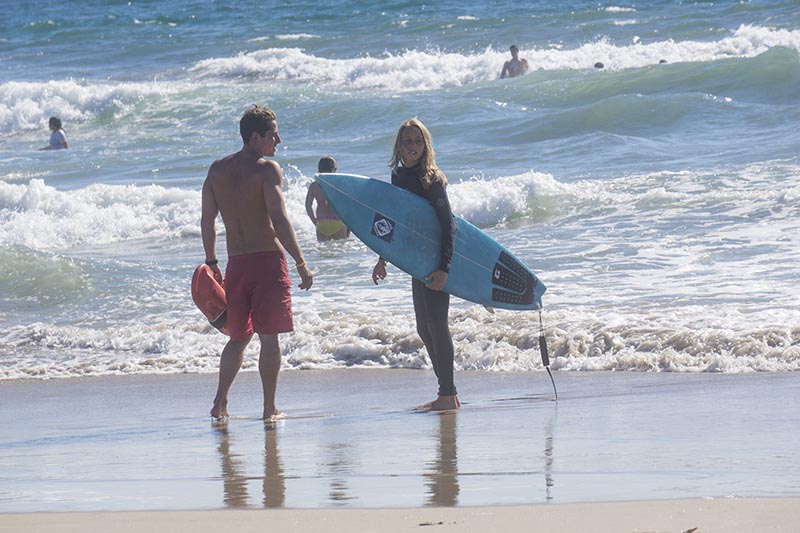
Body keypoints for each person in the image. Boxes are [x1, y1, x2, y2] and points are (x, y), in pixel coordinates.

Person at [201, 104, 313, 421]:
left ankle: (220, 402)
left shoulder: (216, 170)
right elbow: (278, 218)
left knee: (238, 338)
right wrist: (301, 261)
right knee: (268, 338)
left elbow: (206, 220)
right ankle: (269, 408)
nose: (278, 140)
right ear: (255, 138)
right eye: (272, 135)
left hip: (236, 264)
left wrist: (211, 261)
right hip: (267, 263)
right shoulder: (267, 170)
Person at [371, 118, 460, 411]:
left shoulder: (431, 179)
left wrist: (444, 268)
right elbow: (397, 220)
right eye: (407, 141)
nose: (412, 147)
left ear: (426, 145)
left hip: (435, 258)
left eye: (417, 142)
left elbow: (449, 225)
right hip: (416, 260)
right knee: (424, 328)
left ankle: (447, 393)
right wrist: (383, 258)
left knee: (437, 324)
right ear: (399, 145)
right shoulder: (398, 176)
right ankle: (447, 392)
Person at [305, 156, 350, 241]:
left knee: (324, 252)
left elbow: (308, 206)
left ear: (319, 169)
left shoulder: (314, 186)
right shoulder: (340, 185)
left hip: (322, 223)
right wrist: (349, 226)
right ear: (334, 169)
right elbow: (347, 206)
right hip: (337, 221)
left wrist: (314, 221)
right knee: (340, 252)